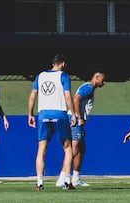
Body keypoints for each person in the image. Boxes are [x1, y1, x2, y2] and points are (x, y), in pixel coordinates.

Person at [28, 53, 76, 191]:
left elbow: (32, 96)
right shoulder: (64, 76)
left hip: (43, 114)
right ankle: (67, 181)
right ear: (63, 63)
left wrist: (30, 114)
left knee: (41, 149)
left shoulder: (40, 76)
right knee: (67, 148)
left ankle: (40, 183)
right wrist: (72, 113)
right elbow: (67, 96)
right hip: (59, 113)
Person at [56, 69, 106, 187]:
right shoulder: (88, 87)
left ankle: (76, 178)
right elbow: (76, 99)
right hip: (74, 119)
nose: (104, 83)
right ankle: (62, 178)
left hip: (76, 119)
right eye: (103, 80)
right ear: (96, 78)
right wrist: (79, 117)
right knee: (73, 149)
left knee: (81, 149)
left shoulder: (90, 88)